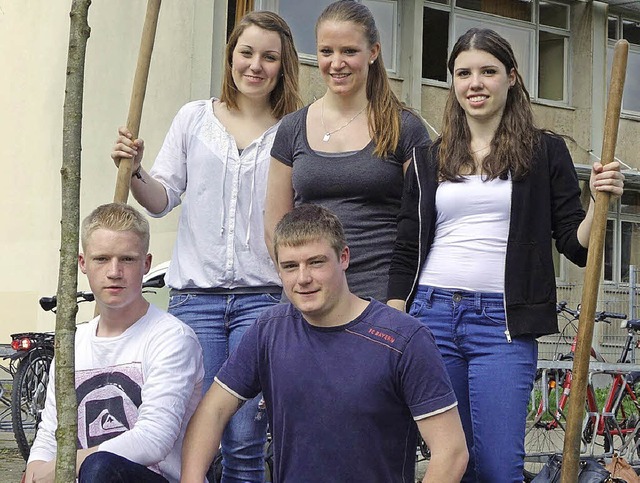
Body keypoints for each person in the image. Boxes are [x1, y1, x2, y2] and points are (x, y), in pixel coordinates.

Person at [387, 28, 626, 482]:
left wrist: (599, 201)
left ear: (511, 78)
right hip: (430, 317)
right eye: (464, 73)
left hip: (503, 323)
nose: (475, 83)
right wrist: (395, 321)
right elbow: (405, 250)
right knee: (453, 462)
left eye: (488, 72)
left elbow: (576, 247)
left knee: (499, 467)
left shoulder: (544, 152)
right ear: (453, 83)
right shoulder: (426, 159)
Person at [110, 11, 302, 482]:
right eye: (247, 53)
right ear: (231, 57)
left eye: (269, 57)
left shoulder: (295, 129)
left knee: (244, 435)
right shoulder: (194, 118)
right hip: (197, 301)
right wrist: (133, 170)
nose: (256, 65)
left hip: (264, 299)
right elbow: (161, 200)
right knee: (195, 431)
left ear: (283, 65)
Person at [180, 204, 468, 483]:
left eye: (316, 262)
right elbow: (212, 411)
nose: (303, 278)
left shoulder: (404, 339)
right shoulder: (268, 331)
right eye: (290, 266)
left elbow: (451, 452)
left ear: (343, 257)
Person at [264, 0, 430, 303]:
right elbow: (275, 226)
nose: (336, 63)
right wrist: (300, 286)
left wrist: (398, 300)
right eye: (327, 51)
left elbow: (420, 225)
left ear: (373, 52)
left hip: (380, 301)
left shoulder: (404, 128)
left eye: (349, 51)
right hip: (309, 301)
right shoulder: (291, 129)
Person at [24, 203, 204, 483]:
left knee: (99, 468)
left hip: (155, 478)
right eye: (102, 259)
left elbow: (154, 439)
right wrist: (35, 471)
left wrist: (70, 464)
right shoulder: (73, 343)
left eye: (127, 259)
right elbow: (51, 433)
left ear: (146, 264)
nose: (114, 271)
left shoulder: (171, 339)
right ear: (83, 263)